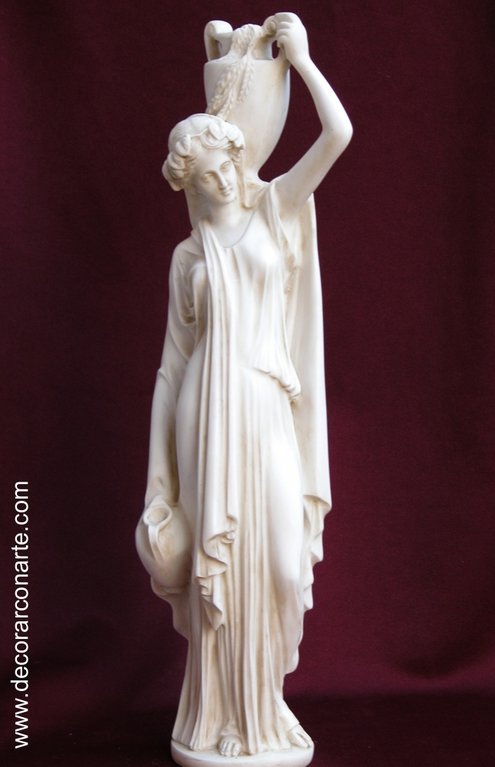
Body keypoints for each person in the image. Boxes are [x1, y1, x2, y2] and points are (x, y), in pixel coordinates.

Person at [137, 13, 352, 760]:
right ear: (193, 181)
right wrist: (157, 483)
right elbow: (170, 370)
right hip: (204, 410)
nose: (224, 176)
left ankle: (265, 707)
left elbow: (338, 135)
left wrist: (304, 61)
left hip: (263, 403)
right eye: (206, 172)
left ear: (235, 153)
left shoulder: (275, 209)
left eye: (224, 160)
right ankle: (223, 719)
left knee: (282, 563)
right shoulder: (187, 256)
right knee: (218, 572)